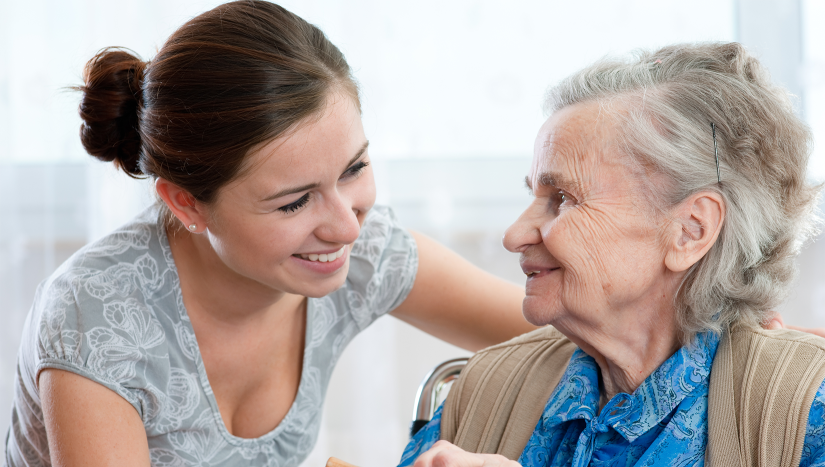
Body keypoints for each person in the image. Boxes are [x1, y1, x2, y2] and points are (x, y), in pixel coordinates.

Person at [3, 2, 539, 466]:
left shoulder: (364, 251)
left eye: (354, 168)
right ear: (186, 202)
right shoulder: (96, 317)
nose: (346, 225)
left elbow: (565, 330)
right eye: (295, 201)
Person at [399, 42, 825, 467]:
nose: (514, 235)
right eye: (534, 194)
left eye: (562, 197)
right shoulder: (487, 387)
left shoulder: (804, 408)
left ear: (690, 231)